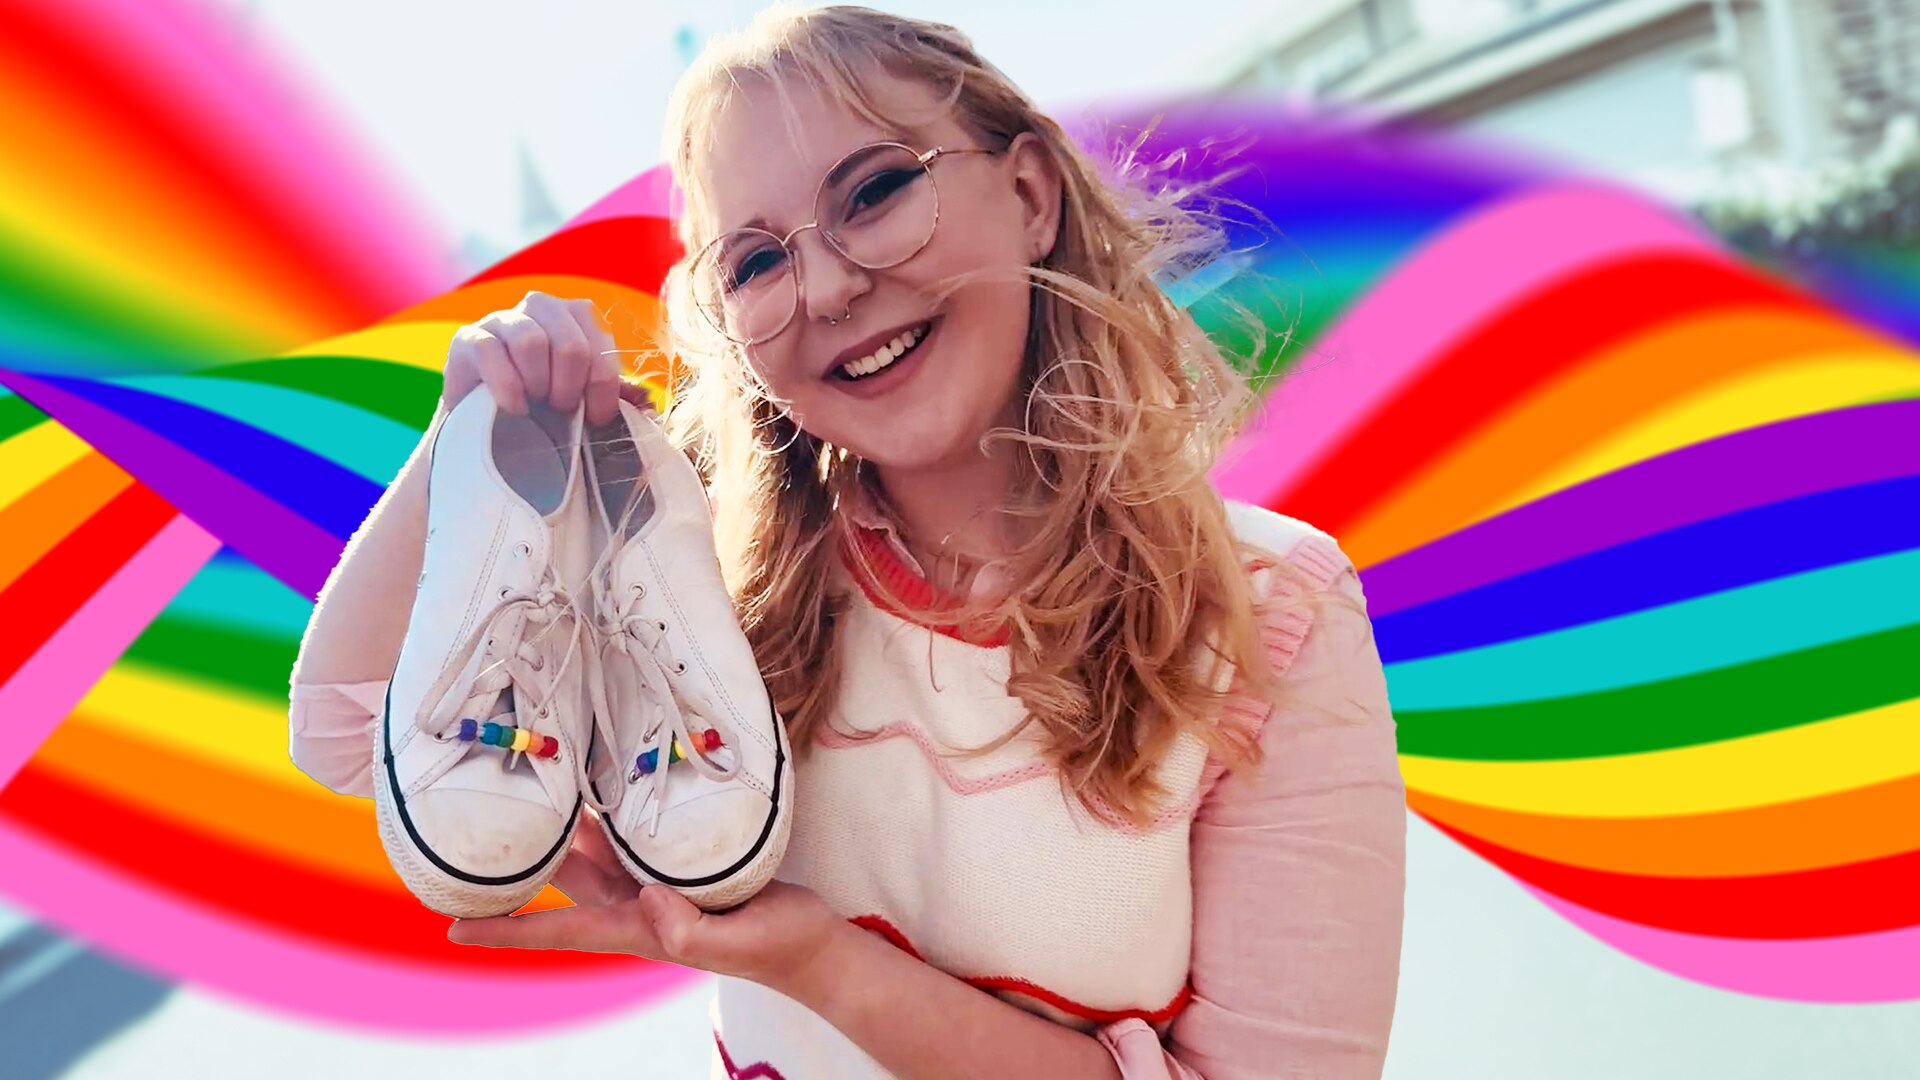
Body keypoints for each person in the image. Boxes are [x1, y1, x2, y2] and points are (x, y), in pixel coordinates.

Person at [287, 5, 1407, 1077]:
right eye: (757, 262)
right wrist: (468, 438)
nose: (826, 286)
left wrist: (823, 966)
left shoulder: (1271, 610)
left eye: (875, 192)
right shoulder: (703, 597)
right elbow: (350, 736)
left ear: (1029, 192)